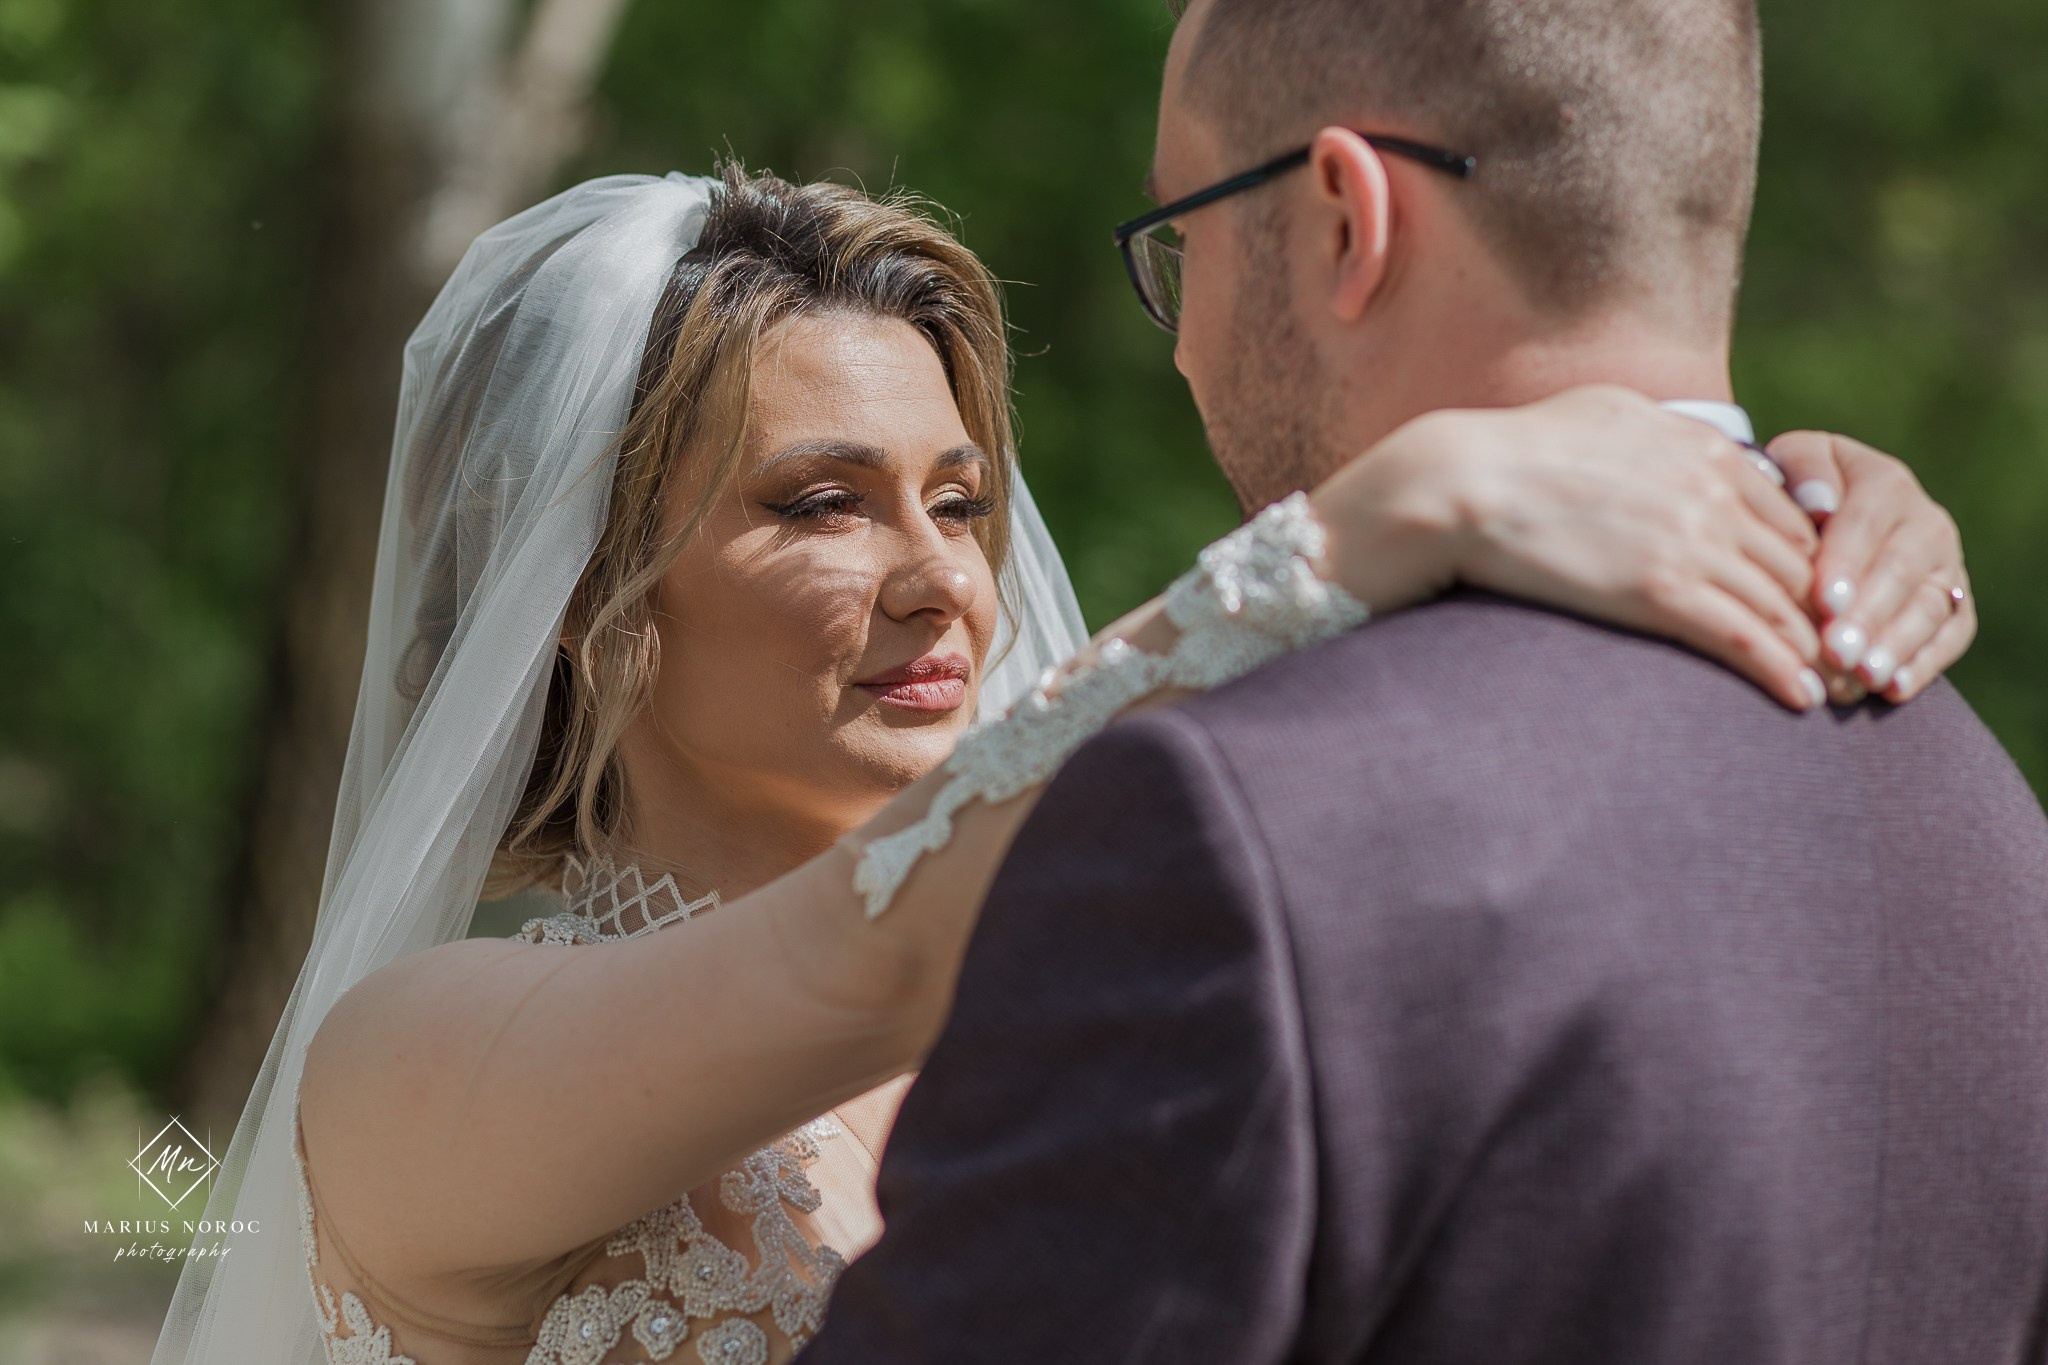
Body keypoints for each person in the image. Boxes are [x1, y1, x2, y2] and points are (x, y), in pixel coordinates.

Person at [150, 151, 1969, 1365]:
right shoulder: (407, 1063)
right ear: (580, 594)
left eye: (959, 500)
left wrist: (1772, 504)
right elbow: (862, 949)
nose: (943, 578)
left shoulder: (1073, 1000)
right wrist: (1369, 524)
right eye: (819, 503)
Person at [795, 2, 2048, 1362]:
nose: (1183, 343)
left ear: (1347, 220)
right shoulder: (1987, 817)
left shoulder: (1236, 825)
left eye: (1186, 235)